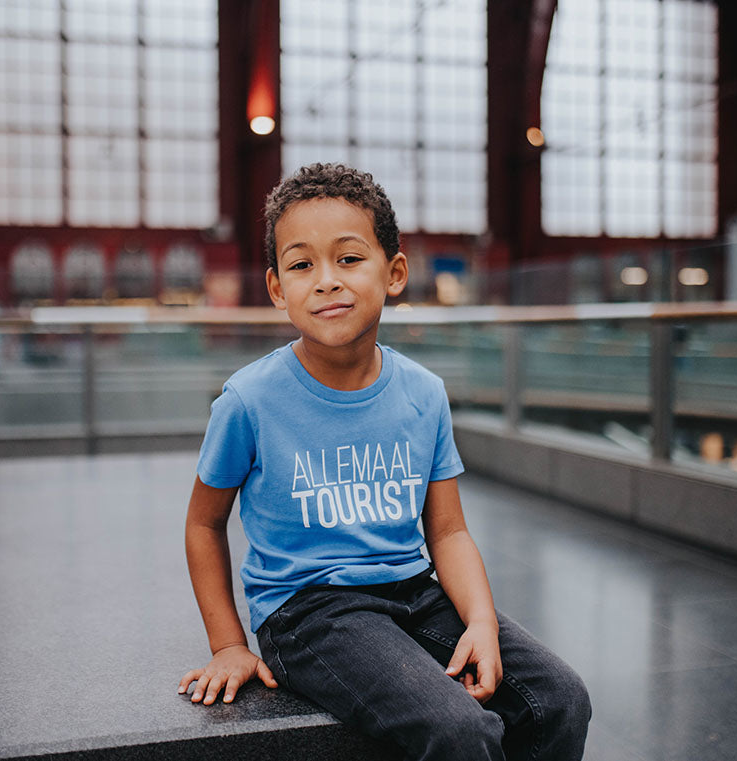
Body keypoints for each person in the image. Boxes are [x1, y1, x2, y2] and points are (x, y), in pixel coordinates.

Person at [178, 163, 591, 760]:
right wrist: (227, 644)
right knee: (460, 731)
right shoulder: (250, 400)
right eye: (301, 265)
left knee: (561, 699)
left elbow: (447, 531)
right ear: (276, 289)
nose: (325, 281)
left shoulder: (423, 392)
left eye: (348, 259)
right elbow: (202, 523)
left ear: (394, 272)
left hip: (413, 591)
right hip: (308, 611)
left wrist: (480, 621)